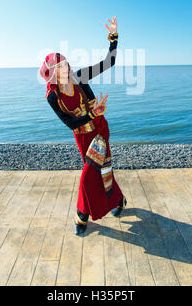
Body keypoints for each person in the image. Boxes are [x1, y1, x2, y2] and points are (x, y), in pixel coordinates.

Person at [39, 16, 127, 235]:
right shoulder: (53, 96)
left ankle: (82, 217)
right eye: (60, 66)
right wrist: (90, 112)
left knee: (89, 174)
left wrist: (114, 37)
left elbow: (109, 62)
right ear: (53, 72)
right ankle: (118, 200)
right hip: (81, 135)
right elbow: (69, 122)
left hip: (98, 130)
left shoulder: (80, 77)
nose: (66, 67)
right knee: (100, 170)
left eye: (66, 62)